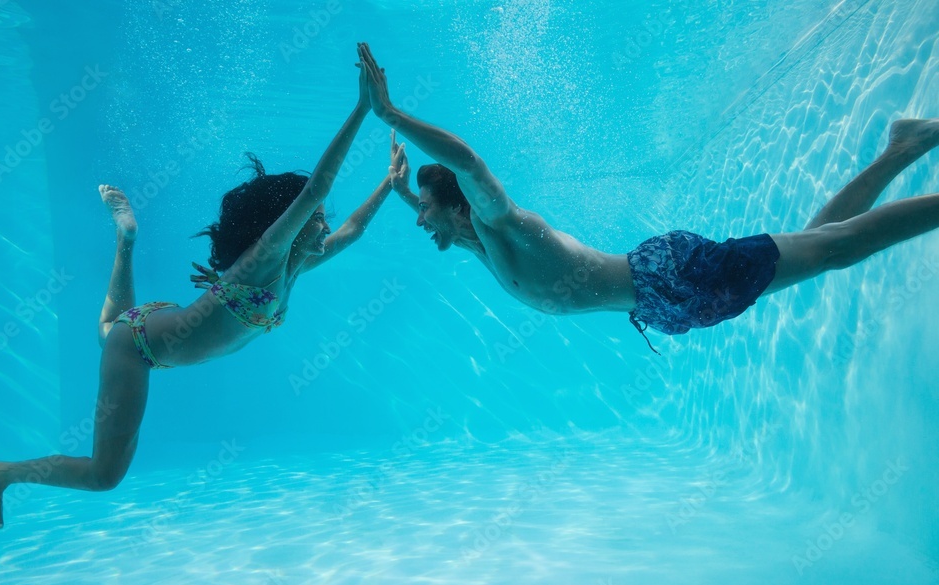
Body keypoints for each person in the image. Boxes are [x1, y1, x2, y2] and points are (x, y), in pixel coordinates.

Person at [0, 56, 391, 528]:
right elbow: (315, 189)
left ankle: (126, 238)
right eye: (318, 222)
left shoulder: (296, 264)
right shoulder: (263, 260)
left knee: (109, 330)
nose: (326, 227)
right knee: (103, 474)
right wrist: (362, 109)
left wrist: (390, 184)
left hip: (154, 329)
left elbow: (354, 230)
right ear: (288, 227)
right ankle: (1, 473)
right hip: (138, 346)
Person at [362, 43, 939, 353]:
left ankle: (912, 158)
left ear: (458, 201)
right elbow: (437, 214)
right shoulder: (474, 243)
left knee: (832, 250)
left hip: (670, 279)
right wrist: (396, 189)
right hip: (662, 303)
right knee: (820, 246)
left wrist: (390, 114)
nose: (420, 218)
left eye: (426, 206)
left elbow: (468, 163)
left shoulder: (499, 224)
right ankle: (902, 149)